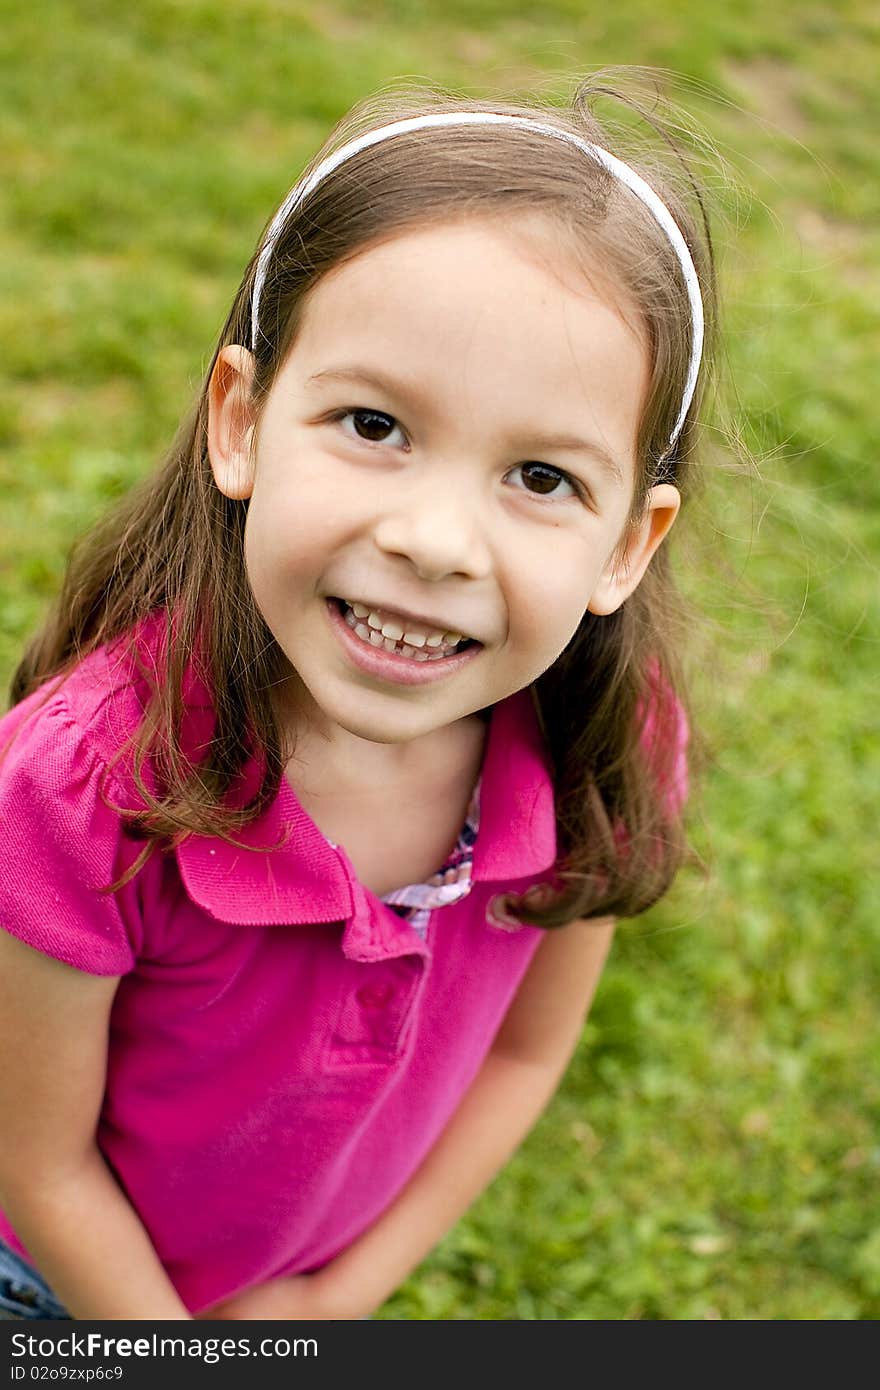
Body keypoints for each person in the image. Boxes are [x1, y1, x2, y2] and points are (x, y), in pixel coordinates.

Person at [0, 75, 716, 1321]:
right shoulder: (84, 785)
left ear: (626, 547)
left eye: (541, 475)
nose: (436, 541)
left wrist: (335, 1302)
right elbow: (34, 1160)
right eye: (374, 423)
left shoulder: (606, 742)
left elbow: (527, 1051)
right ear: (242, 420)